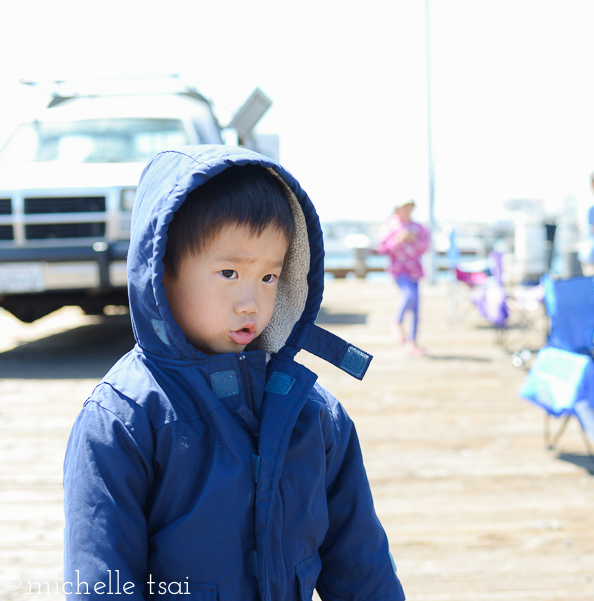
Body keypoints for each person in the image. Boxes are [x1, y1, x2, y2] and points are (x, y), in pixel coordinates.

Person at [63, 146, 405, 601]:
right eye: (229, 272)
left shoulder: (312, 412)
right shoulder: (123, 420)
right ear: (161, 272)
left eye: (268, 277)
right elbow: (102, 581)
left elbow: (363, 564)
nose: (252, 302)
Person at [377, 200, 430, 355]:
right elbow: (382, 248)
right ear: (398, 209)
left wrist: (414, 239)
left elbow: (425, 247)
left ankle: (412, 342)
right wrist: (398, 240)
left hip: (414, 269)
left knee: (415, 307)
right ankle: (396, 323)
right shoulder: (389, 226)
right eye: (404, 208)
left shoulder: (418, 227)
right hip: (399, 269)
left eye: (410, 207)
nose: (407, 211)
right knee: (409, 295)